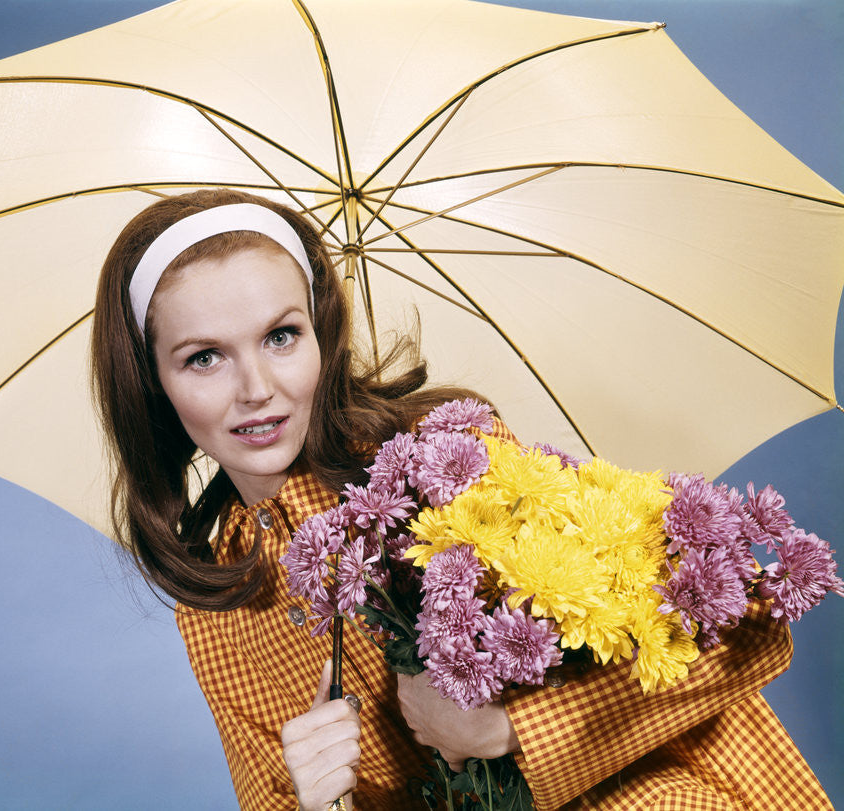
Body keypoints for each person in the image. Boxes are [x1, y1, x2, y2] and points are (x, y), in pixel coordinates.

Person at [90, 188, 830, 810]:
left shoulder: (445, 457)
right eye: (205, 357)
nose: (257, 388)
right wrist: (316, 800)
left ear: (321, 332)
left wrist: (509, 728)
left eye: (281, 336)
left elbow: (744, 638)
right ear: (153, 379)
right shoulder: (217, 602)